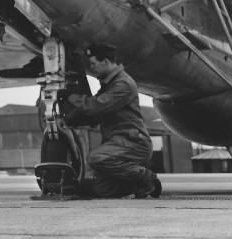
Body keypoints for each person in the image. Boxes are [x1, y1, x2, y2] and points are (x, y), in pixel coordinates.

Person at [59, 44, 161, 199]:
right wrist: (68, 120)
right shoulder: (110, 84)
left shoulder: (123, 84)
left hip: (134, 143)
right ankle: (137, 184)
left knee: (96, 158)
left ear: (105, 61)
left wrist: (70, 96)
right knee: (103, 191)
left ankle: (145, 176)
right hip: (118, 143)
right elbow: (92, 111)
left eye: (93, 63)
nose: (92, 67)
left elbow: (96, 106)